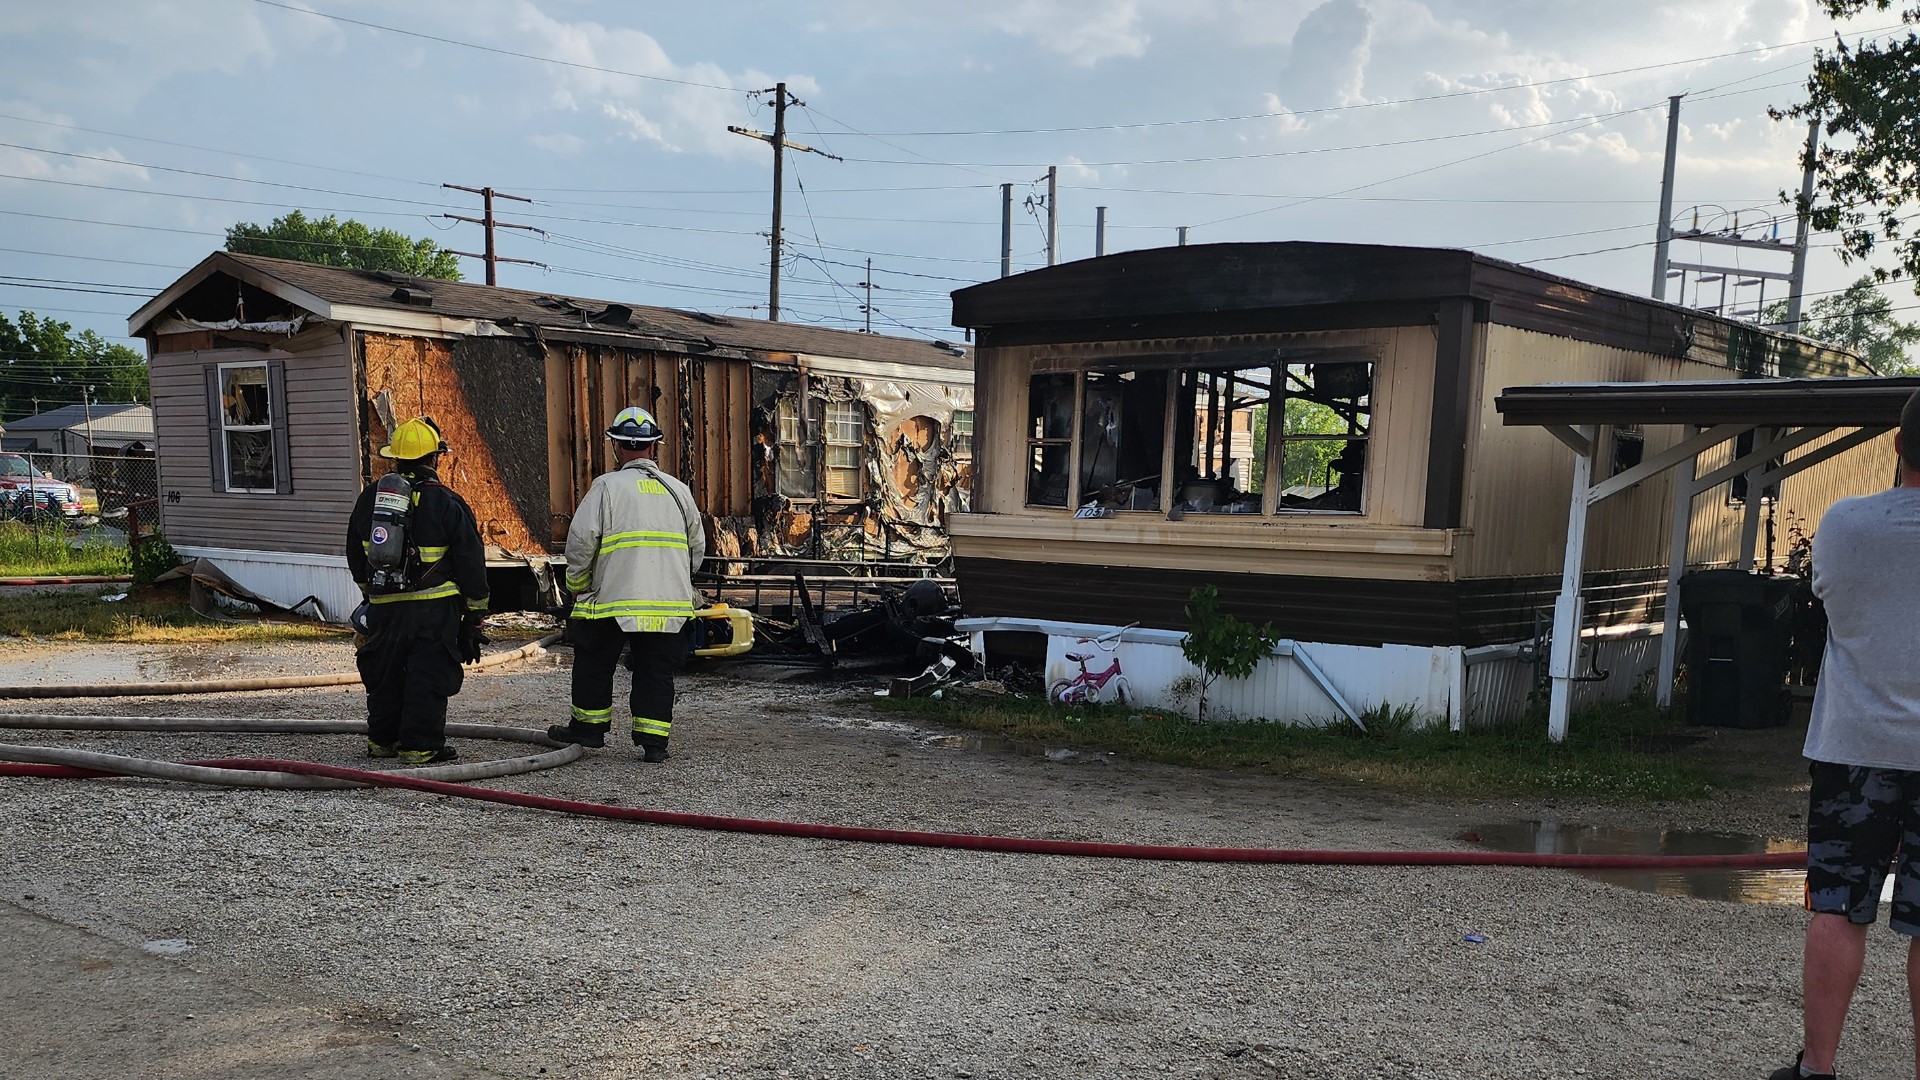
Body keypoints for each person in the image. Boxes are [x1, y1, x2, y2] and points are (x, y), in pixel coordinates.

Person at [1771, 388, 1920, 1080]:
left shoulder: (1845, 525)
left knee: (1837, 910)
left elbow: (1826, 598)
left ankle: (1818, 1069)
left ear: (1898, 444)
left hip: (1855, 749)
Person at [547, 406, 705, 762]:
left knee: (594, 662)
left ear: (616, 447)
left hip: (614, 602)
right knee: (656, 672)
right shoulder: (679, 492)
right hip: (669, 605)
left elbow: (581, 542)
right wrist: (676, 580)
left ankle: (587, 731)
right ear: (654, 447)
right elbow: (697, 549)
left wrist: (578, 583)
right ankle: (654, 745)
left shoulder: (605, 488)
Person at [345, 417, 490, 765]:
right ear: (435, 458)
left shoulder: (369, 500)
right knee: (428, 674)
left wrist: (372, 596)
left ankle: (382, 742)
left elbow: (355, 554)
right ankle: (421, 747)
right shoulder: (447, 502)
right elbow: (471, 561)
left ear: (395, 458)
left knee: (385, 674)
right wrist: (474, 615)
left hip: (384, 606)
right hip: (433, 610)